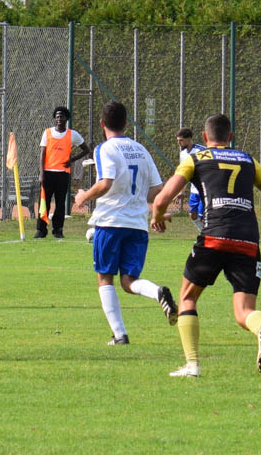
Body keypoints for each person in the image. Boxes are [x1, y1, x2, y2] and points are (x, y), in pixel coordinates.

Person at [150, 113, 261, 378]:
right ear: (231, 137)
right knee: (244, 311)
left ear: (205, 137)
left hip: (214, 236)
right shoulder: (247, 159)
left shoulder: (196, 158)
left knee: (187, 297)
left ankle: (192, 365)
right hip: (247, 240)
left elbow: (162, 200)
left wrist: (157, 216)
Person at [74, 101, 176, 345]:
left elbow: (105, 182)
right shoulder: (141, 150)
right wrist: (148, 205)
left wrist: (83, 196)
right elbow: (157, 189)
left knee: (105, 278)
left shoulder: (104, 148)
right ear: (126, 123)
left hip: (110, 222)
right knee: (128, 281)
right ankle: (157, 292)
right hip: (137, 225)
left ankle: (120, 335)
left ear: (102, 124)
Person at [37, 106, 88, 239]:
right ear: (55, 118)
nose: (59, 118)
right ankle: (41, 230)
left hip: (63, 173)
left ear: (66, 118)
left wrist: (72, 160)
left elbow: (86, 149)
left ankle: (58, 230)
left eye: (62, 116)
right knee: (44, 202)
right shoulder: (47, 132)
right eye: (57, 116)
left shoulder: (72, 134)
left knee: (60, 203)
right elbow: (42, 154)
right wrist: (41, 173)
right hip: (48, 173)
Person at [176, 128, 204, 225]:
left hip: (204, 189)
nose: (179, 143)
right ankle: (203, 233)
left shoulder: (201, 151)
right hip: (194, 190)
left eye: (181, 140)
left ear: (189, 139)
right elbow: (184, 174)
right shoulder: (182, 154)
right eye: (178, 140)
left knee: (202, 217)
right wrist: (181, 191)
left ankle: (206, 234)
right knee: (192, 215)